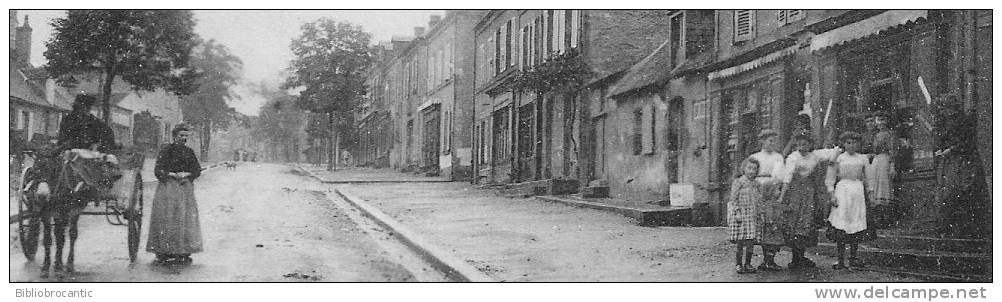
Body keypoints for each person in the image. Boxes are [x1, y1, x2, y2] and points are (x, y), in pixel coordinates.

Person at [147, 124, 203, 265]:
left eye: (186, 136)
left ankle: (183, 251)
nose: (184, 138)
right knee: (167, 218)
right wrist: (170, 174)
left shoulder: (189, 152)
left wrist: (187, 174)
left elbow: (197, 169)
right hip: (168, 187)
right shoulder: (166, 150)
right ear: (174, 136)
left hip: (185, 188)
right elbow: (158, 169)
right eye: (181, 136)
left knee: (184, 219)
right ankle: (163, 251)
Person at [778, 133, 827, 269]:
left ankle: (802, 256)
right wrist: (782, 195)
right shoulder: (793, 157)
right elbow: (787, 177)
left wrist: (820, 194)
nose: (801, 147)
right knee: (795, 222)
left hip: (809, 193)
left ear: (810, 145)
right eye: (799, 144)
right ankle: (795, 257)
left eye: (804, 144)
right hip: (795, 192)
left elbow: (825, 163)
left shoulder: (814, 157)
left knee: (807, 222)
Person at [826, 131, 872, 269]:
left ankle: (853, 257)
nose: (851, 146)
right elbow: (830, 177)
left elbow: (869, 178)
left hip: (857, 191)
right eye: (848, 143)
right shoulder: (838, 158)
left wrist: (871, 193)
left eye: (854, 143)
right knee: (841, 224)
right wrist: (832, 194)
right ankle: (840, 260)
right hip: (842, 190)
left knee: (856, 223)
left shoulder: (862, 158)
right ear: (844, 144)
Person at [749, 129, 785, 271]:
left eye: (774, 140)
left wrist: (776, 187)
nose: (772, 143)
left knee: (772, 223)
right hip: (758, 188)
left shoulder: (778, 157)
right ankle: (762, 258)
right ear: (762, 141)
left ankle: (770, 259)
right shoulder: (755, 156)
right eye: (770, 140)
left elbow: (780, 175)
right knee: (761, 223)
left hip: (773, 189)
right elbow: (749, 172)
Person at [728, 158, 763, 274]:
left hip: (752, 215)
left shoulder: (757, 184)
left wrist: (760, 213)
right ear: (744, 168)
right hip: (741, 215)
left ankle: (748, 263)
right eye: (749, 168)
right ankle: (739, 264)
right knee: (740, 242)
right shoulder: (739, 182)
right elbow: (733, 199)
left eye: (754, 169)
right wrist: (737, 212)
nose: (751, 171)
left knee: (750, 242)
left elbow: (759, 200)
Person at [866, 114, 897, 228]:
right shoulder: (875, 135)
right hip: (876, 161)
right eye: (878, 120)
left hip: (885, 160)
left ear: (886, 121)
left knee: (884, 188)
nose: (880, 123)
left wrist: (892, 165)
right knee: (875, 189)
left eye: (882, 119)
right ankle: (878, 218)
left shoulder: (890, 134)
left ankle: (886, 218)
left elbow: (892, 150)